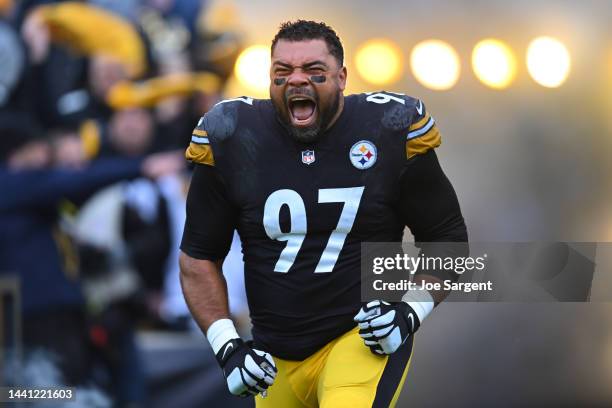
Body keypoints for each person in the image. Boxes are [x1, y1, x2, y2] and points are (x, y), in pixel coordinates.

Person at [179, 20, 468, 407]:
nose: (297, 81)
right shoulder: (232, 134)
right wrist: (228, 346)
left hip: (360, 337)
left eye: (314, 72)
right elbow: (198, 257)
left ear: (342, 77)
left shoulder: (390, 127)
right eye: (283, 72)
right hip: (274, 353)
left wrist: (408, 313)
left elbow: (447, 240)